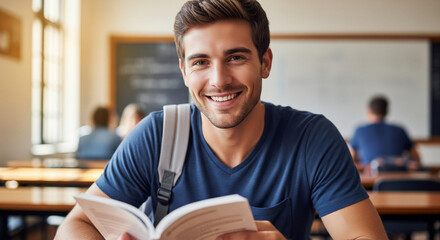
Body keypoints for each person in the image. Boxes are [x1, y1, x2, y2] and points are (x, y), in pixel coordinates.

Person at [55, 0, 387, 239]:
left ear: (265, 62)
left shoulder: (311, 139)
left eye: (236, 57)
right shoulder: (156, 134)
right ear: (185, 72)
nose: (219, 80)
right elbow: (75, 225)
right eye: (200, 62)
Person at [349, 95, 421, 170]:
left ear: (369, 111)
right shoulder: (400, 130)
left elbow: (351, 160)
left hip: (370, 178)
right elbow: (417, 158)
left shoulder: (359, 131)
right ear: (387, 111)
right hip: (396, 177)